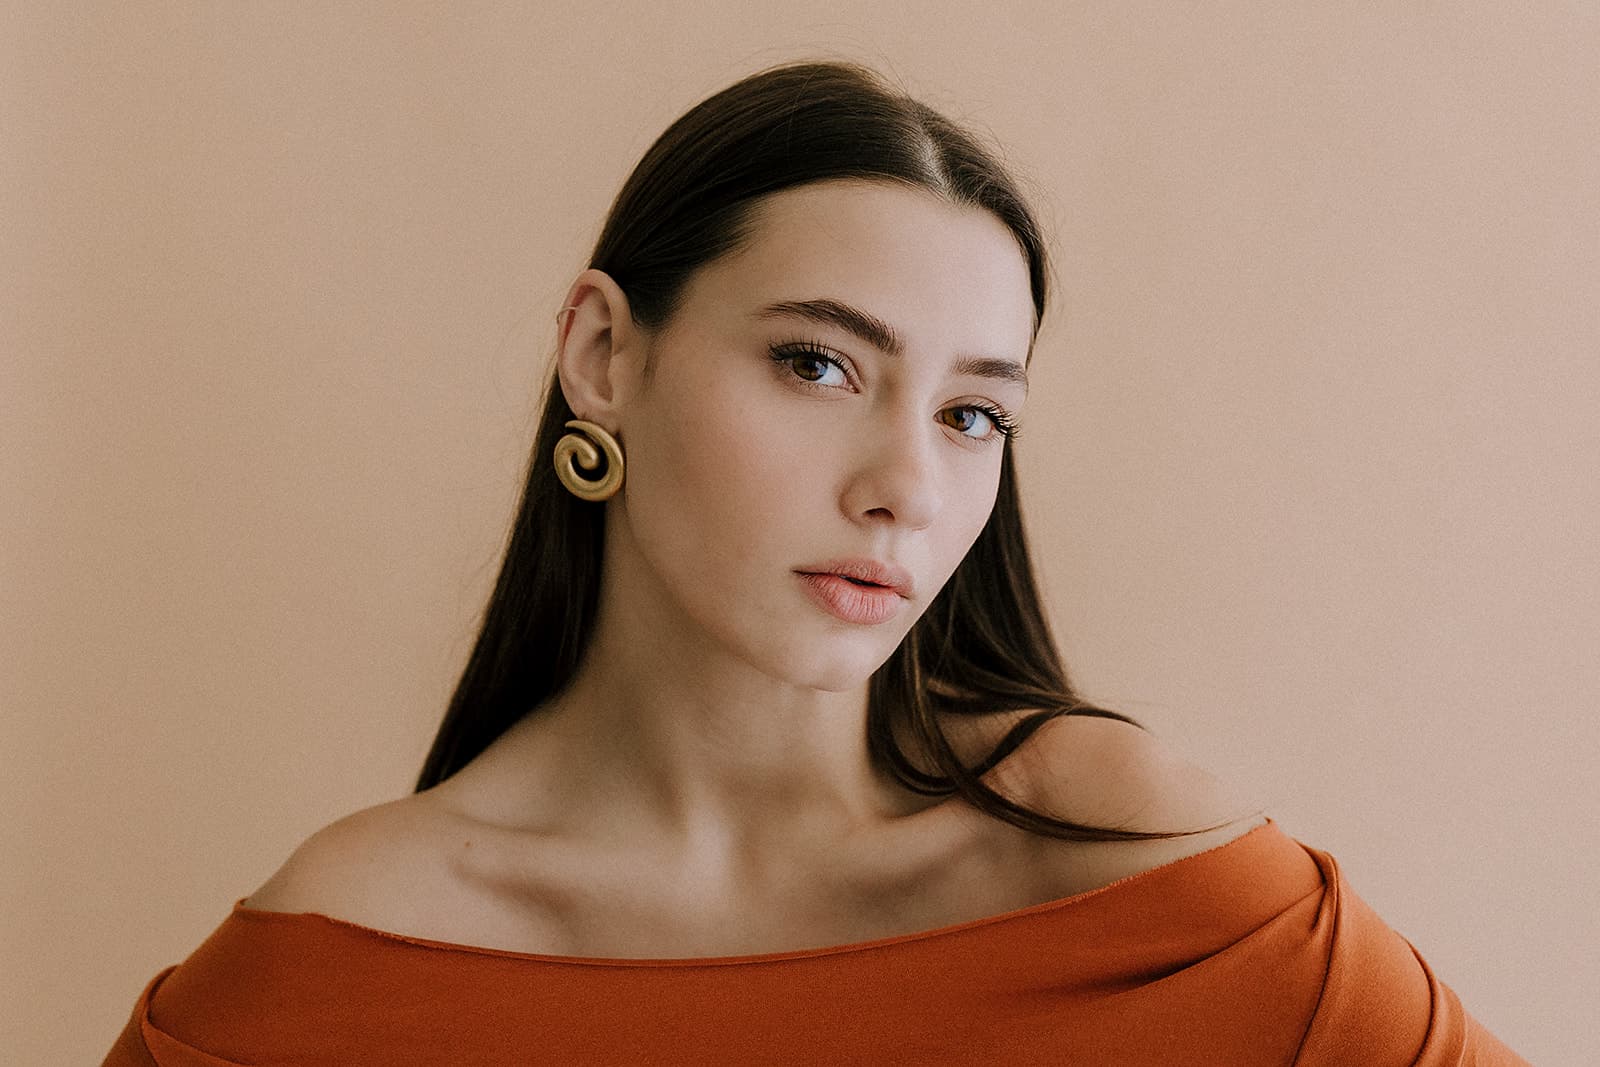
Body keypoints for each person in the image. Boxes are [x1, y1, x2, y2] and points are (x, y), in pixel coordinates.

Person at [103, 58, 1526, 1065]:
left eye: (974, 414)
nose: (905, 484)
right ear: (604, 356)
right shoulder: (328, 972)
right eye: (817, 363)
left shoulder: (1127, 873)